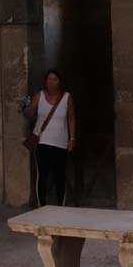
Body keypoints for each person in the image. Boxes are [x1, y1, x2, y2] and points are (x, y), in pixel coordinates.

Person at [24, 69, 76, 206]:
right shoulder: (39, 96)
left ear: (59, 82)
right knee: (42, 175)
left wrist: (72, 139)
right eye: (49, 79)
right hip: (42, 142)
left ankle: (60, 206)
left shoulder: (67, 97)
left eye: (55, 79)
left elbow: (71, 118)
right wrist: (25, 108)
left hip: (60, 143)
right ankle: (42, 205)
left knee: (60, 176)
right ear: (45, 81)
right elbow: (30, 115)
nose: (51, 82)